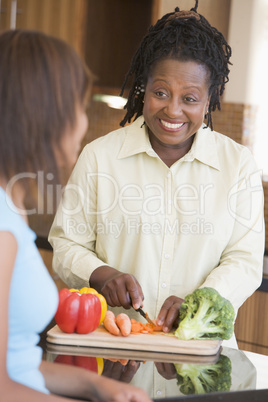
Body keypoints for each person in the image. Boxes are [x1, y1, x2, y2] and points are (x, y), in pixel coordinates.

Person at [49, 1, 264, 349]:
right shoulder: (100, 157)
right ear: (143, 89)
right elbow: (66, 243)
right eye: (160, 93)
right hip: (117, 346)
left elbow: (245, 260)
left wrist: (202, 302)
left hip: (202, 353)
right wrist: (102, 275)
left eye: (190, 98)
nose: (173, 110)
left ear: (209, 101)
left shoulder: (238, 166)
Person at [0, 29, 152, 402]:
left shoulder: (11, 211)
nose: (84, 125)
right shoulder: (2, 232)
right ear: (43, 118)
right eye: (78, 109)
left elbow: (18, 365)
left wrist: (99, 386)